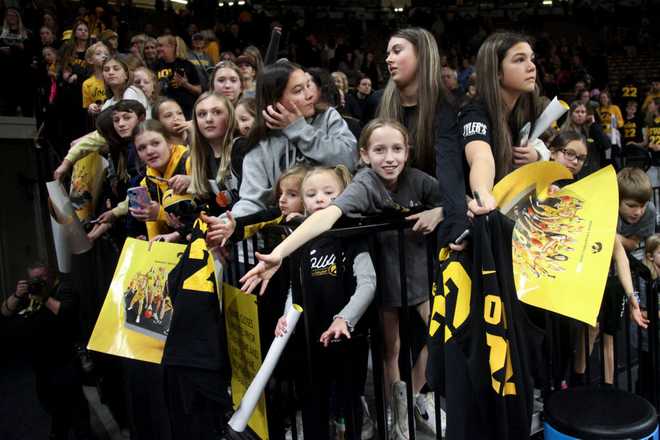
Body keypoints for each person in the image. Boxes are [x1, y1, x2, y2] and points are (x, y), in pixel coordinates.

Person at [239, 119, 444, 439]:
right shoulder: (364, 185)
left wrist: (440, 211)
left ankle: (413, 395)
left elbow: (455, 200)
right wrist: (279, 253)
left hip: (419, 274)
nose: (389, 157)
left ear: (407, 152)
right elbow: (326, 216)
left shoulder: (420, 181)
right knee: (391, 349)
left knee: (440, 333)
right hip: (386, 277)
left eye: (397, 149)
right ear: (364, 154)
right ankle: (395, 414)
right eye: (379, 150)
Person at [272, 165, 376, 440]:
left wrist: (345, 318)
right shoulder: (301, 239)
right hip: (310, 335)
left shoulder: (351, 235)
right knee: (313, 397)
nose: (319, 199)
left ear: (343, 196)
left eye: (328, 193)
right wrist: (287, 315)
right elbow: (296, 286)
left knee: (349, 398)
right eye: (311, 193)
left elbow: (368, 283)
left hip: (347, 336)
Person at [225, 60, 357, 219]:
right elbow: (252, 202)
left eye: (308, 85)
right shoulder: (260, 144)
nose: (310, 94)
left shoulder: (328, 117)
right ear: (276, 103)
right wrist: (226, 223)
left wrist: (299, 129)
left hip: (335, 228)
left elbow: (349, 159)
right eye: (298, 90)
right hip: (285, 235)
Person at [376, 27, 466, 249]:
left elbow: (453, 172)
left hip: (437, 235)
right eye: (388, 53)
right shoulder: (380, 104)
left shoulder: (450, 108)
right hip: (392, 230)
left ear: (422, 55)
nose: (389, 59)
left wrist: (445, 209)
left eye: (397, 51)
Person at [574, 167, 651, 385]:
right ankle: (576, 380)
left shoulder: (616, 225)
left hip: (613, 283)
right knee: (589, 332)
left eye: (642, 206)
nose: (637, 211)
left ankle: (609, 386)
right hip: (591, 280)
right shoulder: (599, 216)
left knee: (609, 336)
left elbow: (622, 259)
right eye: (632, 205)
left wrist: (632, 297)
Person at [462, 32, 549, 217]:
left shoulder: (524, 108)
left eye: (531, 59)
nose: (532, 66)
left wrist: (537, 155)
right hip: (478, 213)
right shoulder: (475, 113)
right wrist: (483, 194)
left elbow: (541, 146)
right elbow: (480, 156)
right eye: (519, 60)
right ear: (497, 72)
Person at [1, 262, 93, 440]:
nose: (38, 281)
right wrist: (17, 294)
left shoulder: (63, 289)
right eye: (34, 278)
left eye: (42, 277)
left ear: (51, 275)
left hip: (64, 358)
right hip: (41, 361)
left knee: (75, 405)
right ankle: (59, 432)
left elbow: (66, 313)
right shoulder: (29, 293)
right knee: (51, 403)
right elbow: (5, 312)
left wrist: (43, 297)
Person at [130, 119, 191, 242]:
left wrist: (160, 214)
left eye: (155, 143)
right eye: (142, 148)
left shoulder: (190, 162)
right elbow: (154, 231)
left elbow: (205, 211)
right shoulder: (146, 182)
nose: (149, 151)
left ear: (169, 142)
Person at [154, 35, 201, 119]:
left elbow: (199, 91)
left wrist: (185, 84)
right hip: (165, 111)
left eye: (160, 46)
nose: (157, 49)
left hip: (186, 111)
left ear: (171, 46)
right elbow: (153, 91)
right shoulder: (156, 65)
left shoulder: (187, 65)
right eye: (157, 46)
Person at [561, 101, 612, 178]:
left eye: (583, 112)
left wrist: (593, 124)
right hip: (573, 173)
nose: (580, 114)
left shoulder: (592, 129)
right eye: (577, 112)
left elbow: (606, 144)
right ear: (571, 114)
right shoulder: (565, 131)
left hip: (592, 173)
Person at [81, 42, 109, 115]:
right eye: (98, 54)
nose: (104, 56)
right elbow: (87, 107)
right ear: (90, 60)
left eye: (106, 54)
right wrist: (91, 108)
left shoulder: (113, 78)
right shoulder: (87, 84)